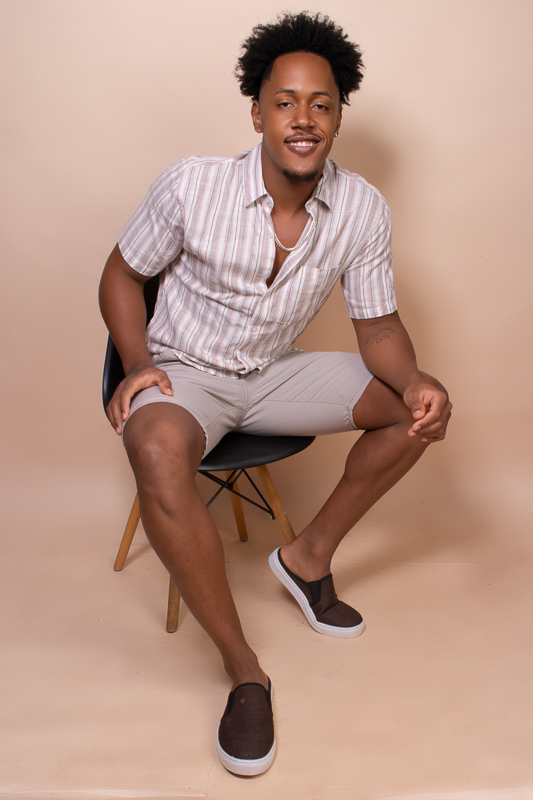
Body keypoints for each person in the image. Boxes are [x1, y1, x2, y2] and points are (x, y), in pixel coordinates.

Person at [99, 12, 452, 777]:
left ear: (337, 116)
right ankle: (244, 672)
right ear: (256, 112)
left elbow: (377, 327)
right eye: (284, 102)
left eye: (320, 104)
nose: (303, 119)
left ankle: (306, 558)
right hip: (186, 375)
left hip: (272, 373)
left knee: (417, 412)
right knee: (155, 449)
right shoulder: (192, 185)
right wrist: (136, 363)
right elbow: (122, 275)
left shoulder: (360, 207)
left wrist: (415, 379)